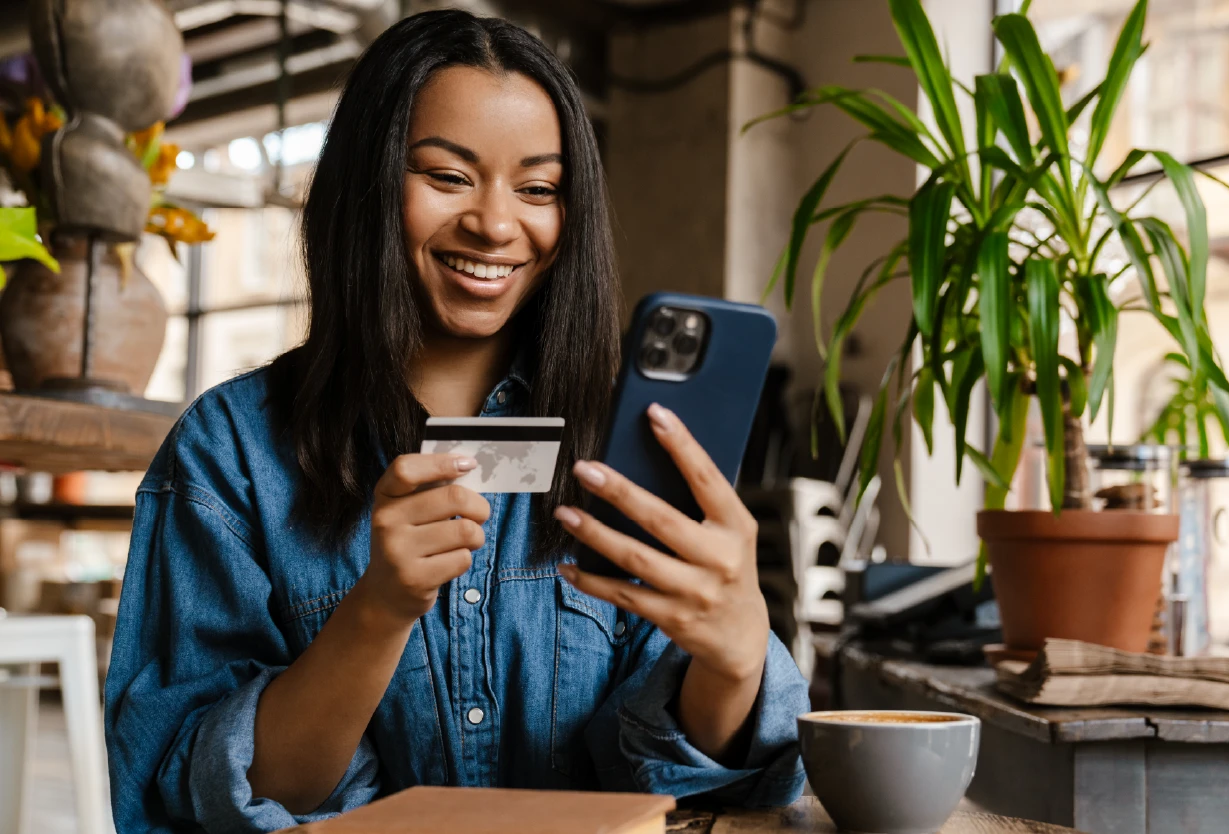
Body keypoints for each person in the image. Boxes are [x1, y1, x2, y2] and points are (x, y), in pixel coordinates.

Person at [105, 10, 809, 833]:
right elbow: (191, 794)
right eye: (447, 176)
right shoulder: (232, 454)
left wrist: (733, 656)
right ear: (364, 182)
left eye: (539, 187)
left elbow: (675, 782)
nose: (497, 224)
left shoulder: (631, 446)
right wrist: (376, 610)